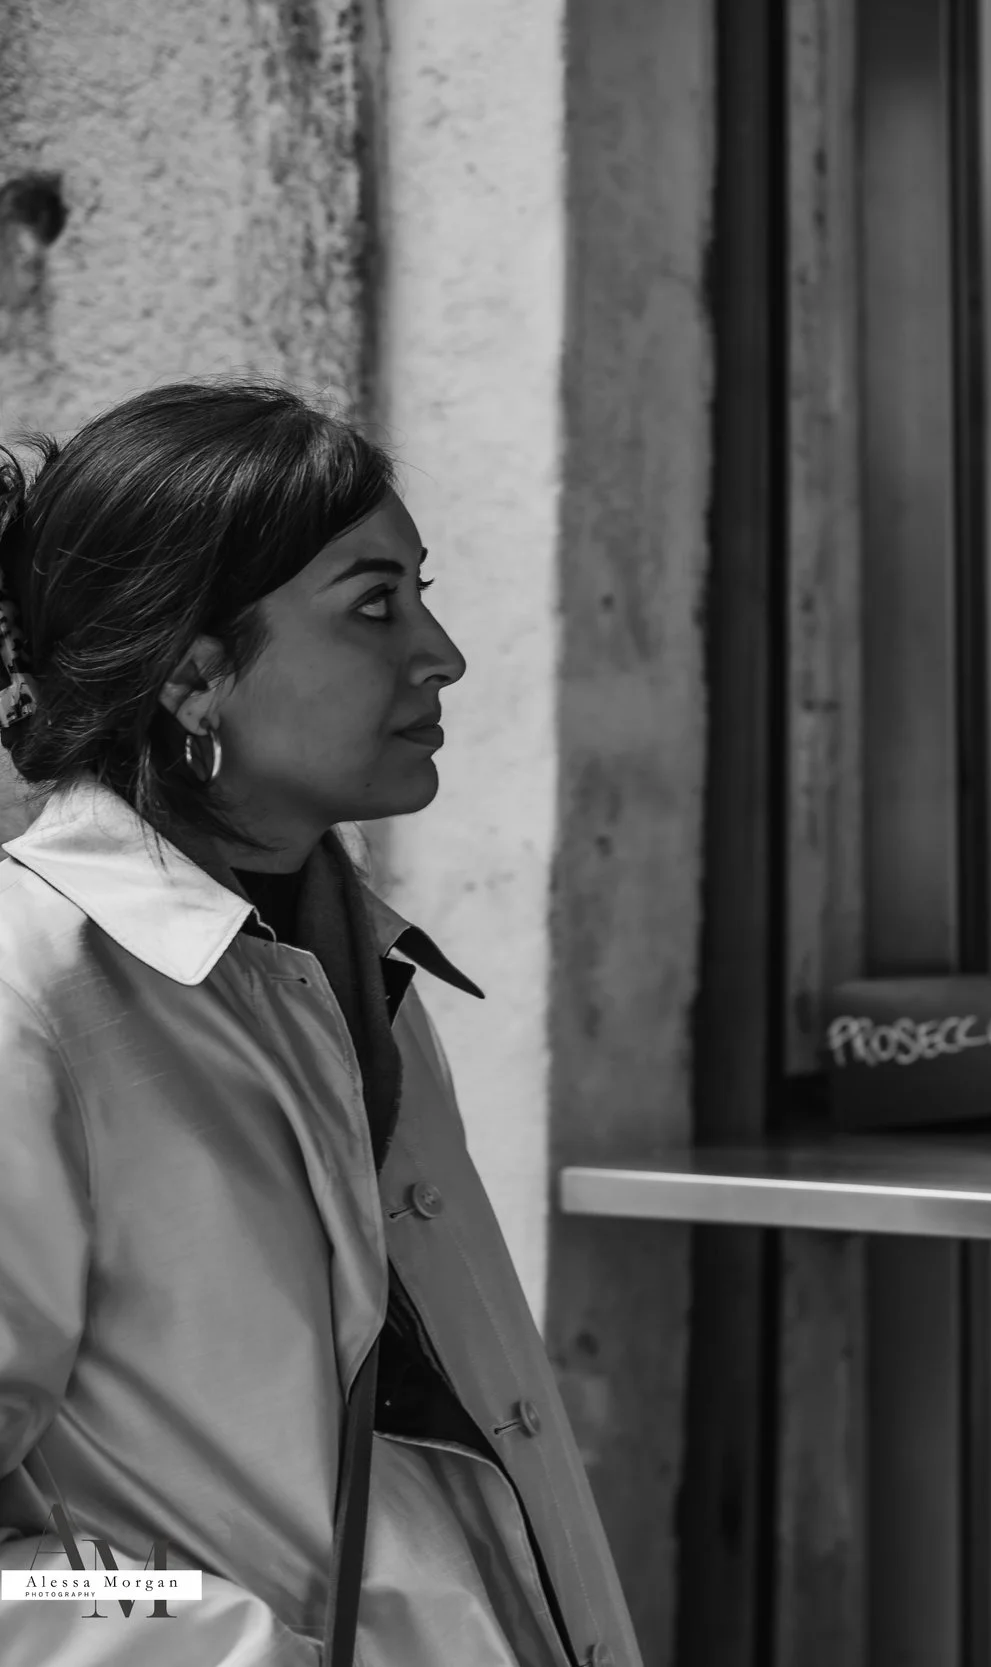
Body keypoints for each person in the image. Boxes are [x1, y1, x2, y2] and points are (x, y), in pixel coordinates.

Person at [0, 384, 637, 1666]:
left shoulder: (340, 966)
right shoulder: (34, 997)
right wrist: (244, 1652)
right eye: (373, 603)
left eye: (423, 589)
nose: (442, 653)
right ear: (194, 673)